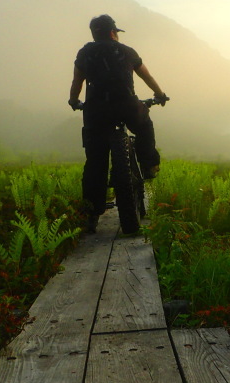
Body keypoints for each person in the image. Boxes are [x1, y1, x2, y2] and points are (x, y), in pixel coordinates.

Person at [68, 14, 168, 233]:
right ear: (113, 32)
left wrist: (74, 101)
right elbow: (147, 77)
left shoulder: (85, 53)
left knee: (95, 161)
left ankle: (92, 215)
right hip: (127, 106)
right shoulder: (127, 52)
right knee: (144, 126)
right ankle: (149, 164)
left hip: (96, 111)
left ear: (94, 33)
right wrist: (160, 95)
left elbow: (77, 81)